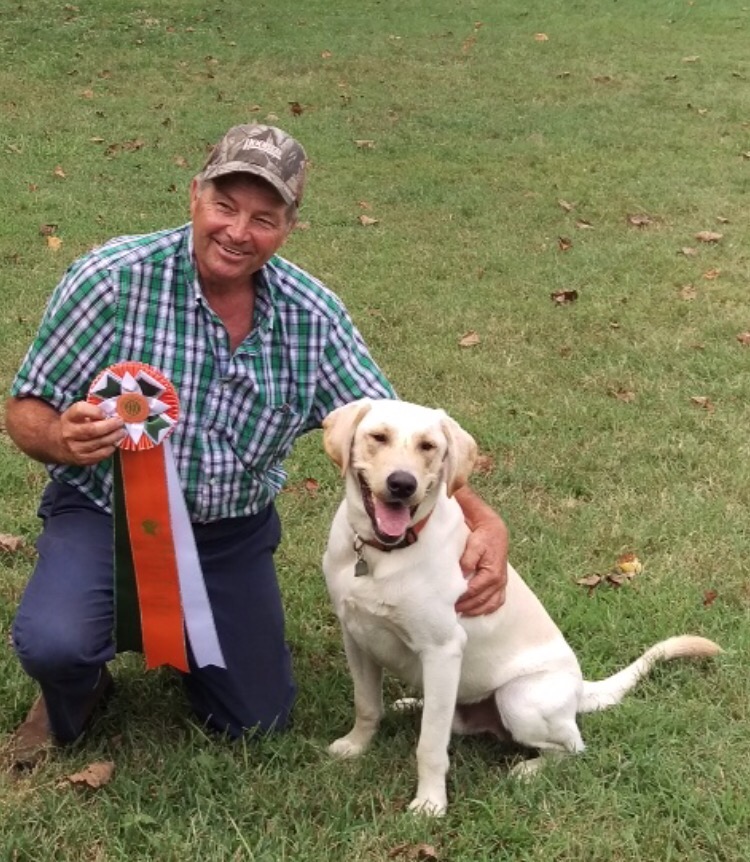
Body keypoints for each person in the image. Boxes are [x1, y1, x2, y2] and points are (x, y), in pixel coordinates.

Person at [4, 123, 509, 767]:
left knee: (256, 719)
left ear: (288, 227)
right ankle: (79, 683)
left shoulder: (314, 317)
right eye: (225, 206)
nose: (238, 232)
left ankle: (193, 642)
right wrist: (60, 437)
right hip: (103, 515)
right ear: (195, 194)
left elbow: (397, 433)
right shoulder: (110, 279)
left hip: (230, 534)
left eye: (264, 218)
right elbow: (25, 407)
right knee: (55, 643)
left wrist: (483, 521)